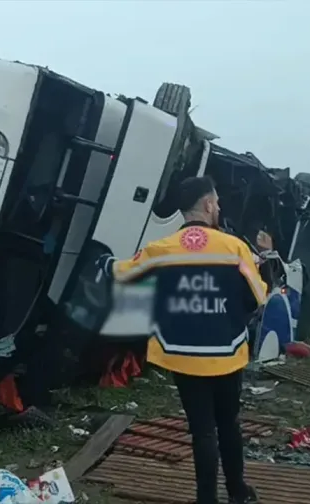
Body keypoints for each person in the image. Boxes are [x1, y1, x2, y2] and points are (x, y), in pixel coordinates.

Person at [110, 176, 265, 504]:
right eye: (217, 202)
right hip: (227, 353)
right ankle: (237, 491)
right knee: (229, 424)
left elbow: (123, 274)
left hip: (181, 353)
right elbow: (257, 297)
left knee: (202, 430)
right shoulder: (235, 248)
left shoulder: (160, 249)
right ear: (208, 204)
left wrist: (102, 261)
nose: (218, 207)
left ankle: (206, 498)